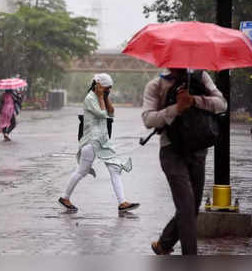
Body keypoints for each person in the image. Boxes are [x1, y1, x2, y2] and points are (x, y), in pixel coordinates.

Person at [142, 68, 227, 255]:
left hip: (198, 150)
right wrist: (176, 108)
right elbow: (148, 119)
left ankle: (164, 244)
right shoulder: (156, 85)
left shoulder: (201, 77)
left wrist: (194, 100)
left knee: (191, 208)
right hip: (171, 151)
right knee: (187, 208)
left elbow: (222, 104)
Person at [58, 73, 139, 213]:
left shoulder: (101, 98)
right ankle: (65, 198)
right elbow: (102, 114)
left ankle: (122, 203)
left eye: (110, 89)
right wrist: (101, 96)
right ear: (98, 85)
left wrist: (105, 97)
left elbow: (111, 113)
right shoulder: (90, 98)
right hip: (92, 141)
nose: (109, 91)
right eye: (107, 88)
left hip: (102, 141)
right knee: (81, 171)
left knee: (115, 169)